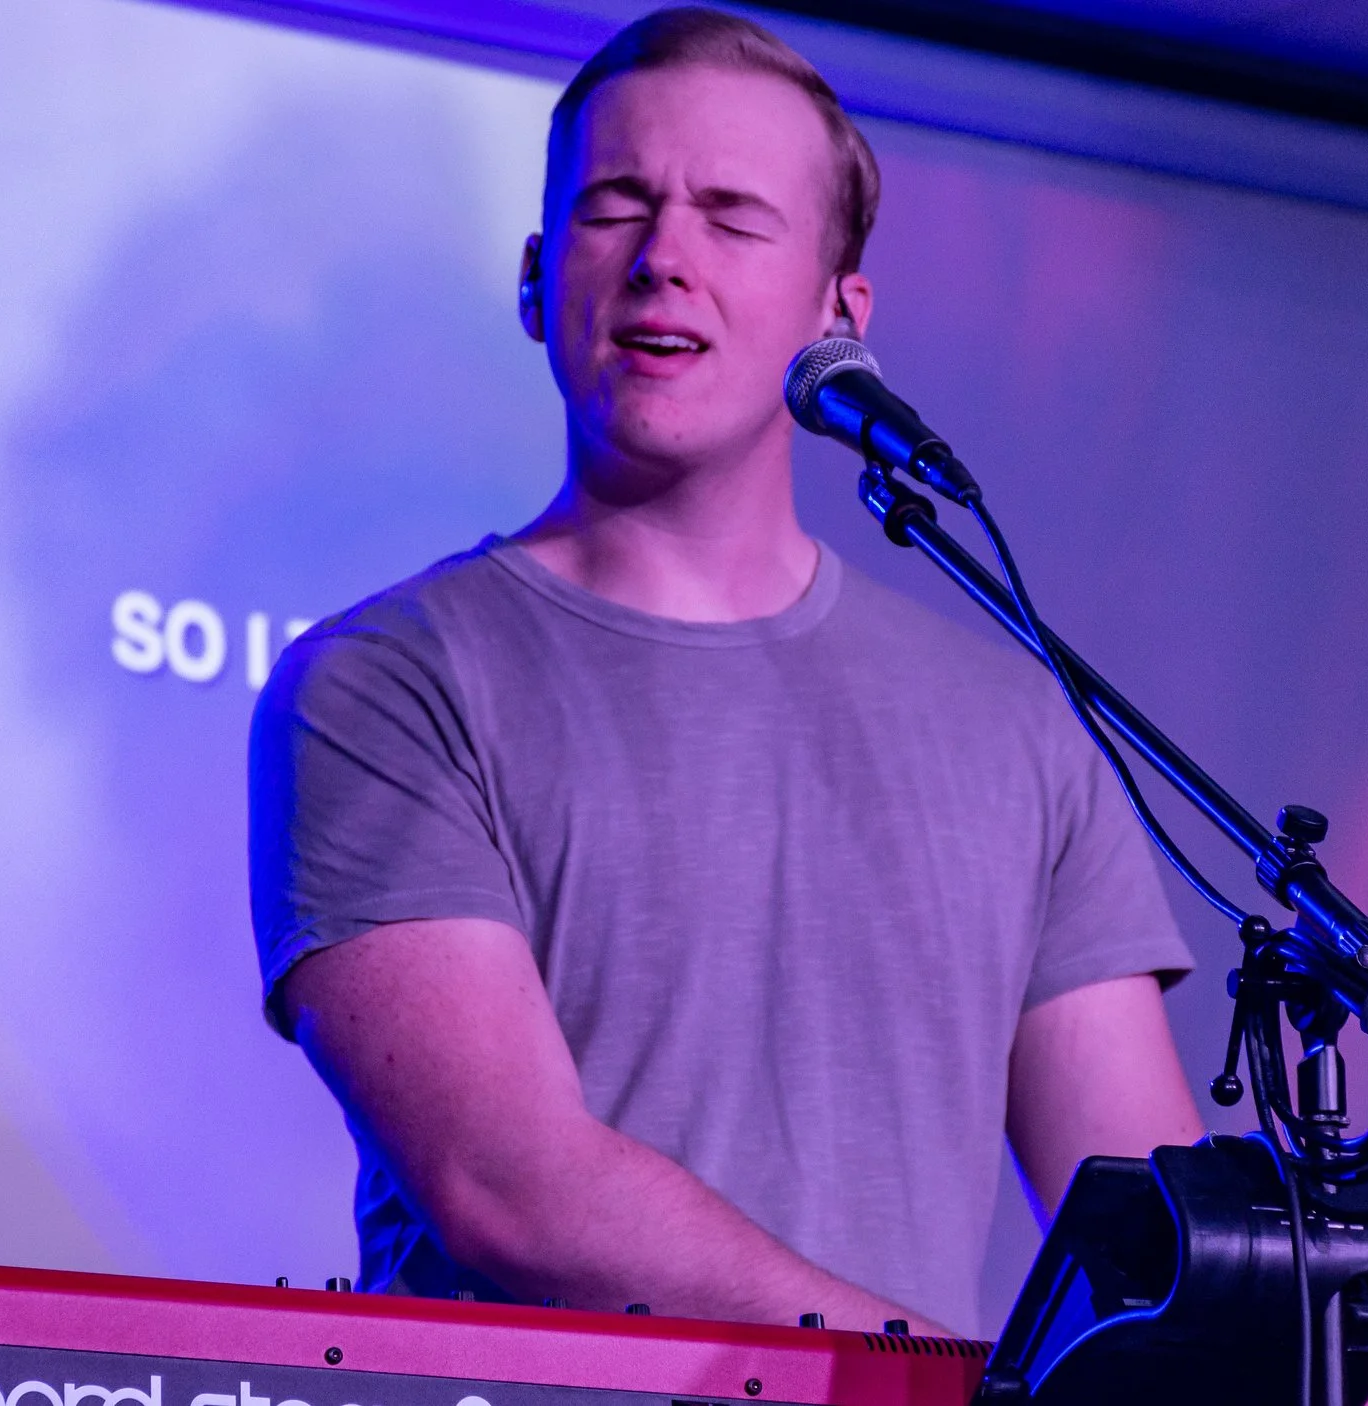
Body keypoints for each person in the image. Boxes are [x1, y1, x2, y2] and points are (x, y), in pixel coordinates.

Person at [248, 7, 1201, 1338]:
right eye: (615, 208)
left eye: (733, 217)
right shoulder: (388, 684)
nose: (662, 259)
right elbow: (510, 1189)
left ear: (840, 315)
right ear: (535, 281)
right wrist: (934, 1380)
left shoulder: (1016, 723)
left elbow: (1149, 1235)